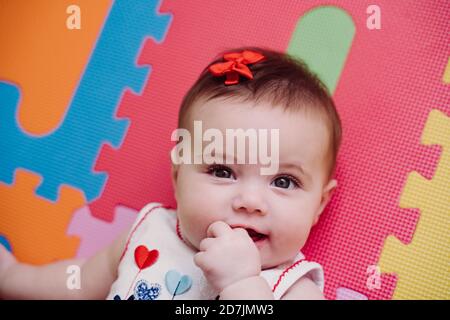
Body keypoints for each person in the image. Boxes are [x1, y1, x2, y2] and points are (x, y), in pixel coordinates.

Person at [0, 47, 342, 300]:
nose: (250, 201)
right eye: (222, 171)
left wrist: (242, 286)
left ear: (319, 205)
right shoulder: (149, 231)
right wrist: (13, 275)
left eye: (284, 181)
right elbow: (78, 286)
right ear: (178, 177)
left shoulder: (293, 288)